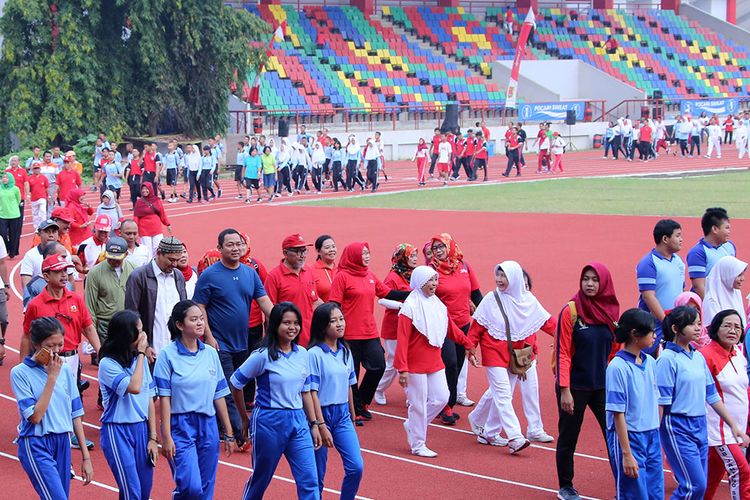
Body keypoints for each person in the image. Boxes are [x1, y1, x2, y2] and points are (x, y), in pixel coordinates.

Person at [229, 302, 321, 499]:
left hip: (298, 421)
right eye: (286, 323)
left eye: (296, 323)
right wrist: (243, 418)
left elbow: (305, 391)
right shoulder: (262, 356)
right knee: (262, 477)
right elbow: (236, 382)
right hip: (269, 421)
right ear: (275, 325)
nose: (292, 327)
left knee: (309, 479)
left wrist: (314, 423)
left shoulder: (303, 354)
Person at [657, 306, 749, 499]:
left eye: (699, 323)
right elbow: (661, 403)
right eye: (693, 324)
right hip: (678, 425)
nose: (699, 328)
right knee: (694, 485)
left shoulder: (697, 357)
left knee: (703, 484)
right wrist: (657, 435)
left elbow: (712, 395)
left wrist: (735, 426)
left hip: (700, 427)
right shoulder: (667, 359)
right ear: (676, 328)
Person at [193, 228, 274, 450]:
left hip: (244, 340)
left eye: (239, 244)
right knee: (228, 386)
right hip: (219, 342)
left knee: (240, 384)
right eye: (230, 245)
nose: (236, 248)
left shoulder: (250, 273)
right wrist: (208, 336)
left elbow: (265, 302)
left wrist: (282, 323)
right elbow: (199, 306)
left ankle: (229, 424)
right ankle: (239, 433)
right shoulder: (210, 275)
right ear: (220, 248)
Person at [467, 261, 556, 452]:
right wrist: (471, 349)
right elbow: (477, 327)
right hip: (493, 353)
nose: (499, 280)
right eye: (498, 275)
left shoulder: (528, 300)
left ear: (514, 279)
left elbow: (548, 323)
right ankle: (515, 436)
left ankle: (489, 433)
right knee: (503, 394)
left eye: (504, 276)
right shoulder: (491, 299)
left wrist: (569, 337)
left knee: (502, 394)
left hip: (517, 355)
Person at [154, 300, 234, 499]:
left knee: (206, 488)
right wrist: (166, 436)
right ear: (180, 325)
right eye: (194, 319)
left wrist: (229, 432)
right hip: (180, 425)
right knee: (191, 487)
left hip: (208, 425)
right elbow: (164, 398)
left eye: (201, 319)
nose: (200, 323)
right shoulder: (167, 356)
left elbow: (219, 394)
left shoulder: (210, 353)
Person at [396, 266, 477, 457]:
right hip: (415, 365)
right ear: (419, 282)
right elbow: (403, 340)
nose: (434, 284)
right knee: (418, 405)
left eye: (435, 280)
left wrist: (468, 343)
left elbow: (451, 329)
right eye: (429, 281)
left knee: (442, 398)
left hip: (434, 361)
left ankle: (414, 425)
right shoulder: (409, 308)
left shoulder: (438, 305)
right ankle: (418, 444)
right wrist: (402, 369)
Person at [555, 263, 620, 500]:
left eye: (595, 280)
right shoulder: (571, 311)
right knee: (569, 436)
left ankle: (622, 486)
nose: (590, 284)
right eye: (586, 279)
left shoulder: (611, 313)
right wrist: (564, 390)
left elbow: (614, 351)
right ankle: (566, 487)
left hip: (603, 387)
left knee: (614, 436)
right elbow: (562, 351)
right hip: (574, 387)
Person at [11, 316, 94, 498]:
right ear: (35, 344)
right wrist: (51, 378)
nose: (56, 351)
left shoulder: (64, 369)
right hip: (36, 443)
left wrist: (86, 457)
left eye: (60, 345)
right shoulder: (20, 373)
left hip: (62, 442)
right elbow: (35, 416)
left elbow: (75, 414)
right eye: (50, 346)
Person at [328, 242, 409, 424]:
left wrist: (413, 293)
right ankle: (354, 408)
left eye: (368, 253)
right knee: (352, 373)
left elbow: (387, 293)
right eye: (363, 253)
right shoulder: (342, 277)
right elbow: (334, 304)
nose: (366, 256)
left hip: (369, 331)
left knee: (378, 365)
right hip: (349, 334)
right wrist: (336, 330)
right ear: (353, 255)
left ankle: (363, 401)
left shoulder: (369, 275)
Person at [97, 310, 159, 500]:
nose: (144, 336)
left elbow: (148, 397)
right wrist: (142, 354)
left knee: (144, 491)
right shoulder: (108, 364)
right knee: (132, 491)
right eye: (139, 331)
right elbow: (134, 387)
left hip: (141, 430)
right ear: (127, 335)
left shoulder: (137, 361)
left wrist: (153, 438)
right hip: (118, 431)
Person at [308, 303, 365, 499]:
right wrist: (320, 424)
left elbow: (349, 386)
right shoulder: (313, 354)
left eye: (341, 319)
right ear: (322, 326)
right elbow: (312, 392)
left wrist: (351, 415)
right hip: (320, 415)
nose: (340, 324)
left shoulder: (345, 352)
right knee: (317, 476)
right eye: (333, 321)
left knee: (356, 467)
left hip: (342, 416)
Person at [605, 308, 662, 499]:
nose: (655, 336)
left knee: (655, 493)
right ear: (635, 334)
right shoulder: (618, 367)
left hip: (652, 435)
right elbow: (617, 412)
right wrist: (627, 453)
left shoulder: (651, 363)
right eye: (651, 331)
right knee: (634, 494)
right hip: (630, 437)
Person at [429, 233, 482, 422]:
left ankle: (445, 401)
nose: (439, 251)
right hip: (442, 327)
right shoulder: (431, 270)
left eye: (442, 246)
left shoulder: (464, 266)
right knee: (449, 363)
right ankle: (446, 405)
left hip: (463, 324)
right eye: (435, 248)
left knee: (458, 365)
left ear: (450, 246)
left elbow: (476, 295)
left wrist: (487, 316)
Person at [701, 310, 750, 499]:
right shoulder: (706, 355)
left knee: (711, 479)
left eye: (737, 326)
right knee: (742, 471)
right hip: (718, 431)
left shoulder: (738, 353)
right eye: (727, 325)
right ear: (716, 327)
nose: (733, 330)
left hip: (736, 429)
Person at [124, 236, 188, 363]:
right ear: (158, 253)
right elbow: (132, 316)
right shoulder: (138, 277)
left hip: (177, 352)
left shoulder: (178, 276)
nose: (174, 264)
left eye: (177, 260)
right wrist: (144, 346)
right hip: (152, 354)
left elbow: (183, 310)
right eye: (171, 260)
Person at [374, 244, 418, 405]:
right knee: (394, 362)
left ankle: (411, 394)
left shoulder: (413, 274)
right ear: (403, 258)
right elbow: (382, 299)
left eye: (415, 256)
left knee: (410, 359)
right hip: (394, 325)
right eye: (411, 256)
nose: (415, 259)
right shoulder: (392, 277)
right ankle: (378, 388)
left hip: (411, 324)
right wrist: (401, 306)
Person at [636, 219, 685, 356]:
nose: (681, 239)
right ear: (665, 238)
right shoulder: (648, 263)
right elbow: (648, 296)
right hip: (655, 326)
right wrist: (666, 322)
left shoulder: (678, 261)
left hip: (674, 324)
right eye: (677, 235)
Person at [264, 234, 322, 347]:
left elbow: (314, 301)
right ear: (285, 253)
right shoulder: (274, 276)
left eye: (304, 251)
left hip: (310, 337)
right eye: (297, 251)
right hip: (288, 340)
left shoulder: (308, 272)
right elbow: (270, 312)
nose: (302, 255)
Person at [84, 236, 135, 358]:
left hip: (129, 327)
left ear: (126, 254)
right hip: (105, 328)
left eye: (118, 259)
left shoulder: (135, 269)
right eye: (110, 257)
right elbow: (89, 305)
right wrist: (93, 335)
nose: (113, 261)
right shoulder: (94, 273)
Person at [687, 207, 736, 298]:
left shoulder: (730, 247)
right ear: (714, 229)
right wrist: (712, 306)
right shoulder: (698, 252)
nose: (729, 232)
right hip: (708, 303)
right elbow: (699, 286)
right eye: (726, 228)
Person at [702, 255, 747, 327]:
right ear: (727, 275)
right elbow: (713, 327)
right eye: (739, 275)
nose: (743, 279)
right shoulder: (712, 299)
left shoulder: (736, 293)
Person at [133, 182, 171, 259]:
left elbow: (162, 213)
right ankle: (149, 268)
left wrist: (168, 224)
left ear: (150, 189)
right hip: (144, 230)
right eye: (143, 189)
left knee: (158, 249)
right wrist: (134, 229)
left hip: (156, 229)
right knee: (147, 250)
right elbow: (136, 217)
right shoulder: (139, 202)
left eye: (146, 188)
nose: (144, 190)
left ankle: (157, 266)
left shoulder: (157, 200)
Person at [0, 173, 21, 256]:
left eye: (6, 177)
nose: (4, 179)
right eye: (3, 177)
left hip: (14, 214)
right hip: (2, 214)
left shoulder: (15, 189)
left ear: (10, 179)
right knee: (2, 234)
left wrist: (12, 207)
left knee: (13, 234)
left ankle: (12, 252)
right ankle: (7, 247)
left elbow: (18, 200)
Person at [312, 235, 337, 303]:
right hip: (323, 311)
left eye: (333, 247)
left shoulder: (341, 270)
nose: (332, 250)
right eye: (327, 247)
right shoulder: (311, 271)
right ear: (318, 251)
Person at [28, 163, 50, 230]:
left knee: (43, 212)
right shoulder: (30, 178)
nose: (36, 170)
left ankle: (44, 226)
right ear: (32, 169)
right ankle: (36, 227)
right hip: (34, 198)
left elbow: (47, 188)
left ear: (40, 169)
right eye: (35, 168)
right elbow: (29, 189)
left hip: (42, 197)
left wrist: (48, 196)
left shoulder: (44, 177)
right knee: (35, 214)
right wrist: (28, 196)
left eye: (37, 168)